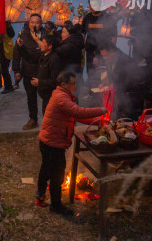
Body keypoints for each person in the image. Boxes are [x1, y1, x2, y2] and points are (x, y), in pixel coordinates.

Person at [37, 70, 106, 215]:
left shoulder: (61, 95)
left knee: (46, 168)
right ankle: (56, 205)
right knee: (57, 175)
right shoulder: (62, 98)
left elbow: (75, 117)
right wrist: (101, 110)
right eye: (73, 83)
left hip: (48, 140)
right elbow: (78, 112)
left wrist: (97, 122)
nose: (75, 86)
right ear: (64, 84)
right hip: (53, 143)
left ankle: (40, 195)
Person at [97, 40, 146, 119]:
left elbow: (133, 82)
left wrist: (116, 86)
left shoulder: (126, 61)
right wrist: (107, 84)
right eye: (103, 56)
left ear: (112, 51)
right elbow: (113, 78)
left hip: (130, 101)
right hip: (120, 101)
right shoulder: (110, 61)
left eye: (106, 55)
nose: (104, 58)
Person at [13, 14, 45, 130]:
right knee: (31, 97)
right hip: (29, 70)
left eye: (37, 22)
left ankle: (48, 121)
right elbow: (16, 53)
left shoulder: (46, 35)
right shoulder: (23, 36)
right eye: (32, 22)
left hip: (43, 71)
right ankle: (33, 119)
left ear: (41, 24)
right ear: (29, 23)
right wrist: (17, 70)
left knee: (46, 97)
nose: (34, 25)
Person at [32, 35, 63, 114]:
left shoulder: (54, 59)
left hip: (51, 95)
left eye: (43, 42)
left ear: (50, 46)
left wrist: (40, 82)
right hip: (45, 96)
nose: (41, 44)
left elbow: (55, 81)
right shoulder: (43, 56)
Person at [0, 20, 16, 94]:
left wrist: (8, 26)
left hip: (7, 49)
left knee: (4, 68)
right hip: (1, 49)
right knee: (3, 69)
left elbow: (12, 34)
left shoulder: (8, 27)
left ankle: (8, 86)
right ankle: (8, 86)